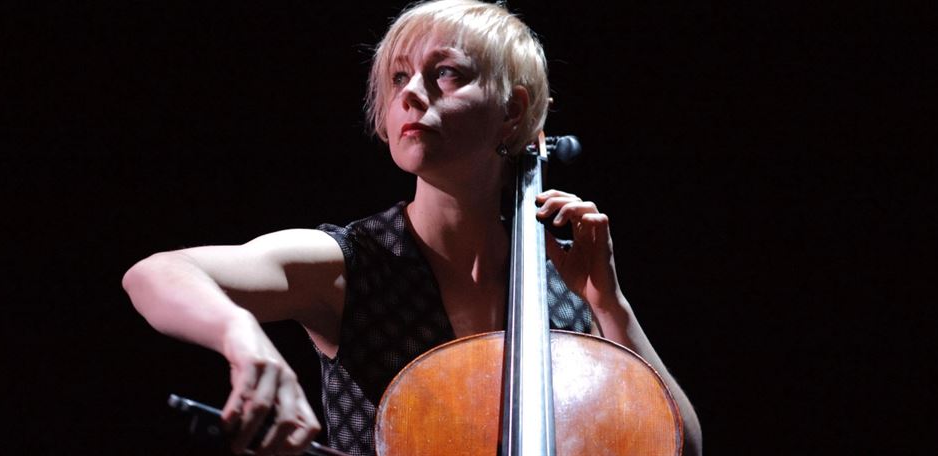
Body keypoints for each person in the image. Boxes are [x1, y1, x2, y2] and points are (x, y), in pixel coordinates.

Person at [123, 1, 702, 455]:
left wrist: (609, 304)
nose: (411, 93)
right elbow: (155, 274)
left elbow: (679, 443)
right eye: (399, 76)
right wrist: (243, 340)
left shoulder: (561, 281)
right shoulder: (354, 262)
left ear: (513, 110)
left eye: (444, 73)